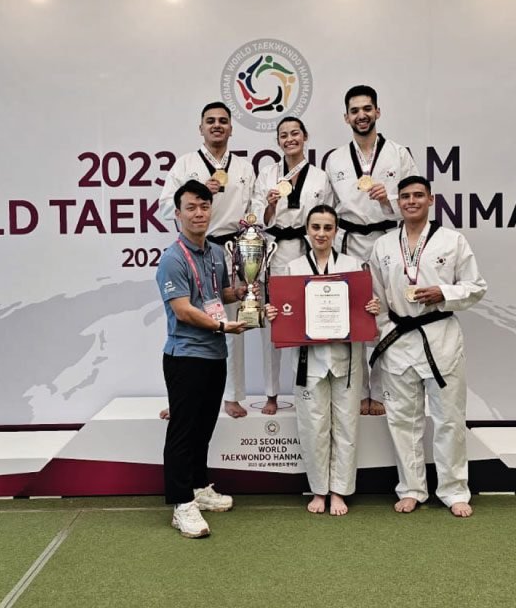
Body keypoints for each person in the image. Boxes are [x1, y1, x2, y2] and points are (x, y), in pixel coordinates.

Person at [368, 176, 487, 518]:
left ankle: (454, 490)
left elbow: (476, 287)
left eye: (418, 195)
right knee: (402, 420)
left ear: (431, 200)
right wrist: (385, 331)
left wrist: (443, 293)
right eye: (405, 196)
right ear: (398, 202)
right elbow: (376, 296)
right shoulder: (384, 245)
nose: (411, 201)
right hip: (398, 339)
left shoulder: (452, 240)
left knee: (449, 419)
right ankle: (411, 489)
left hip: (440, 337)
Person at [265, 204, 378, 516]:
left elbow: (363, 307)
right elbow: (286, 311)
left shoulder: (353, 265)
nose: (321, 233)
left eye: (328, 227)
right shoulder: (293, 267)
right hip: (308, 359)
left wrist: (371, 308)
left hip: (346, 357)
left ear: (336, 231)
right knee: (313, 426)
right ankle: (319, 489)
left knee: (346, 424)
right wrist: (274, 313)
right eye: (316, 227)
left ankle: (340, 491)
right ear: (306, 230)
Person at [156, 180, 247, 538]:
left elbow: (217, 294)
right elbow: (182, 309)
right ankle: (181, 504)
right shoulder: (172, 259)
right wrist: (222, 326)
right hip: (186, 356)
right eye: (191, 207)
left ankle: (197, 488)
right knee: (183, 432)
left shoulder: (215, 252)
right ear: (178, 214)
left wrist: (241, 291)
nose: (198, 213)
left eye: (204, 207)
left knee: (204, 428)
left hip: (214, 354)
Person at [323, 85, 419, 416]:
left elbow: (414, 199)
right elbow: (327, 208)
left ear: (378, 112)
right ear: (346, 117)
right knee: (351, 315)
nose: (361, 115)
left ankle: (379, 390)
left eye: (367, 109)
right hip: (349, 242)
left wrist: (389, 199)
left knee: (385, 315)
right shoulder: (335, 158)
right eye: (355, 111)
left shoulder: (398, 154)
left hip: (387, 239)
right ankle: (357, 390)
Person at [160, 101, 257, 418]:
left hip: (231, 248)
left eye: (223, 121)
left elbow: (252, 211)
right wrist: (201, 191)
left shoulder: (244, 167)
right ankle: (180, 397)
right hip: (195, 247)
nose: (217, 125)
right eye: (210, 121)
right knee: (188, 318)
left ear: (231, 128)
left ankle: (232, 395)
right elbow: (164, 207)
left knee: (232, 320)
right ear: (200, 128)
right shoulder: (185, 164)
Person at [250, 116, 335, 415]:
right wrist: (270, 204)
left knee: (308, 321)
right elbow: (257, 216)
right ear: (278, 141)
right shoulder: (267, 174)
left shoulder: (320, 177)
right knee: (273, 325)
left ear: (305, 136)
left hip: (308, 251)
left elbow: (327, 216)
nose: (290, 139)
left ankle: (307, 388)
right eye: (284, 135)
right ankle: (271, 393)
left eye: (295, 133)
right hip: (276, 254)